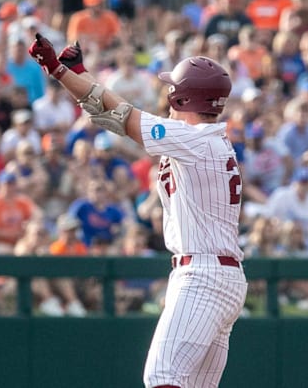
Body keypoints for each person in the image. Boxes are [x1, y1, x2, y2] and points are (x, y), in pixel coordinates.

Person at [28, 33, 247, 387]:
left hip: (203, 272)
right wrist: (80, 75)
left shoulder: (193, 139)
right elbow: (113, 119)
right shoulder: (201, 138)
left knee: (162, 376)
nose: (166, 95)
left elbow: (123, 115)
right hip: (221, 273)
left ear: (182, 95)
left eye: (171, 89)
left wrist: (58, 72)